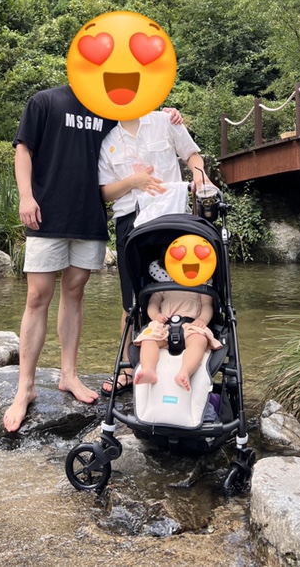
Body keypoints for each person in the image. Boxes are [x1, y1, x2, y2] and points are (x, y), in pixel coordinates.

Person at [3, 84, 182, 432]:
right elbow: (23, 149)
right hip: (46, 213)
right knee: (37, 295)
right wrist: (26, 196)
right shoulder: (45, 101)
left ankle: (68, 374)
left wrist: (169, 114)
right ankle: (25, 387)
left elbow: (138, 122)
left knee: (75, 293)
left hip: (89, 216)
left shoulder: (108, 109)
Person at [97, 111, 213, 396]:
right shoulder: (108, 138)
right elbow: (105, 192)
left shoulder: (166, 120)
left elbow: (192, 155)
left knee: (184, 284)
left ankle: (187, 360)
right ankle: (128, 367)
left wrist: (201, 178)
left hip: (172, 217)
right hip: (130, 220)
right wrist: (133, 181)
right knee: (131, 299)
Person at [133, 264, 221, 391]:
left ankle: (185, 371)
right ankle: (148, 369)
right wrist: (155, 315)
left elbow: (207, 305)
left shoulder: (202, 284)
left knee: (199, 341)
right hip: (163, 324)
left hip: (191, 325)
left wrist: (202, 320)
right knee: (148, 339)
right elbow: (153, 303)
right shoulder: (163, 285)